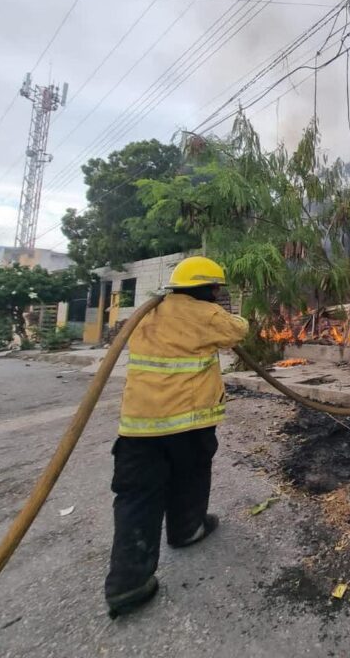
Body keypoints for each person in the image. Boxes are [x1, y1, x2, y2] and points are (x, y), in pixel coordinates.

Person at [104, 256, 249, 618]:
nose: (218, 293)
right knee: (191, 475)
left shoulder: (146, 313)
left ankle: (128, 583)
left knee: (136, 496)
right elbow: (238, 330)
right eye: (217, 289)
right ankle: (186, 529)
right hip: (187, 421)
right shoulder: (206, 315)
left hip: (138, 425)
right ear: (210, 289)